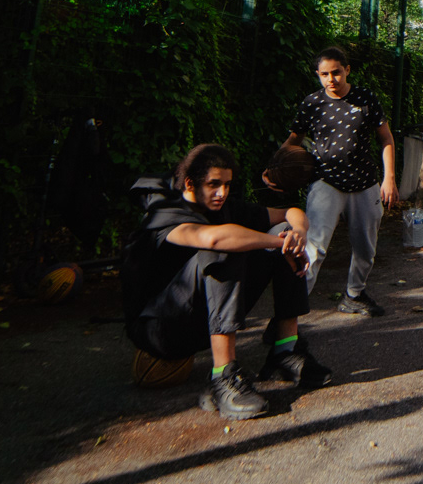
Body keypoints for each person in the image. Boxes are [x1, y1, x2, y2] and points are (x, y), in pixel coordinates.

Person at [121, 143, 329, 420]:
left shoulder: (223, 206)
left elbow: (290, 212)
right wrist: (280, 244)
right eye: (214, 185)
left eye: (227, 185)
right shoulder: (164, 213)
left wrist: (297, 234)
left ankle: (286, 351)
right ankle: (223, 378)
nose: (222, 193)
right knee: (228, 246)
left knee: (282, 231)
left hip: (198, 320)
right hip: (160, 330)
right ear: (190, 183)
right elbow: (213, 239)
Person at [280, 46, 399, 317]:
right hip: (326, 182)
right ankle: (289, 315)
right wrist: (275, 167)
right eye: (324, 74)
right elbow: (293, 141)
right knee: (314, 248)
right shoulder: (312, 103)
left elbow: (386, 138)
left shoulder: (365, 98)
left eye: (336, 72)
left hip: (365, 182)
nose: (331, 79)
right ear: (317, 75)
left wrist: (389, 178)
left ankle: (354, 295)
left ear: (347, 70)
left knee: (366, 248)